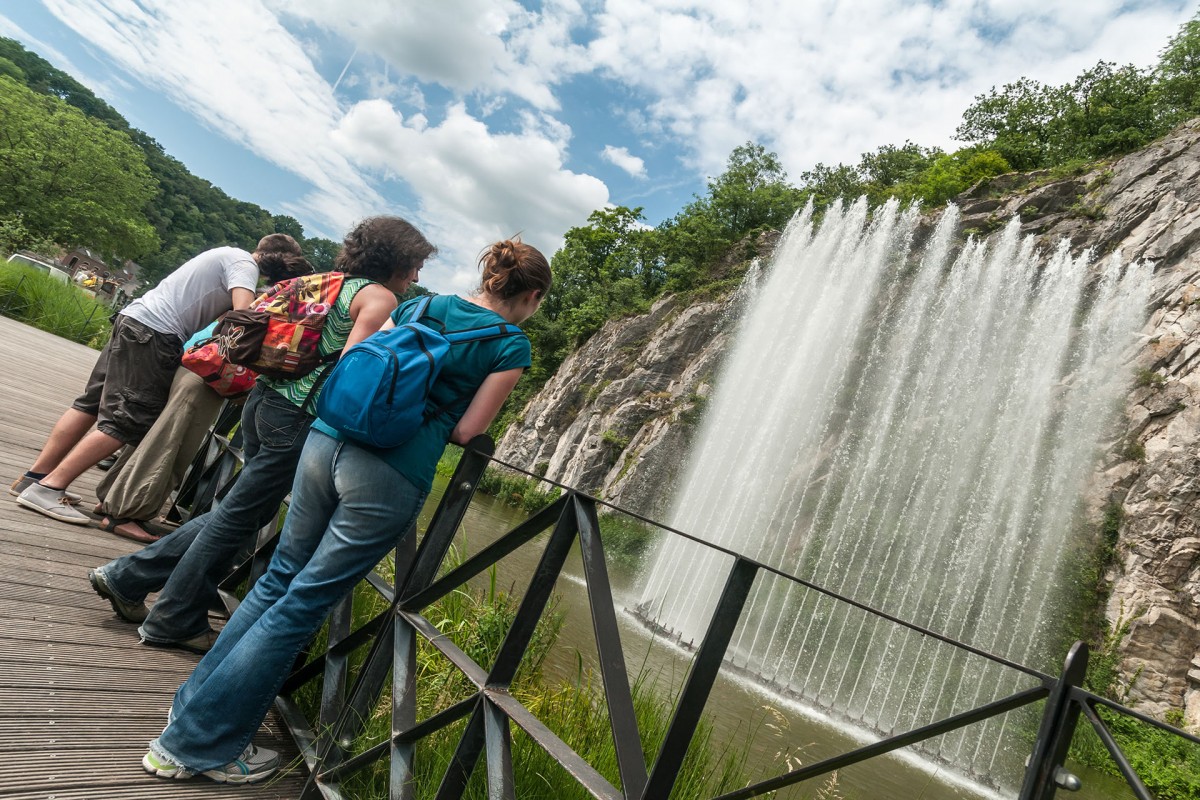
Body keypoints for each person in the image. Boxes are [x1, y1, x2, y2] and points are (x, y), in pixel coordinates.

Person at [137, 238, 550, 784]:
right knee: (303, 602)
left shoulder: (421, 306)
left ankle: (193, 706)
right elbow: (467, 430)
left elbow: (367, 365)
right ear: (534, 294)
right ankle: (196, 743)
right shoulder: (510, 345)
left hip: (325, 440)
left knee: (277, 580)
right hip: (390, 470)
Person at [88, 216, 435, 655]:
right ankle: (173, 618)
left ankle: (127, 578)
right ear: (397, 258)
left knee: (239, 510)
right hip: (297, 418)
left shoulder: (325, 281)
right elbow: (353, 371)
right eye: (416, 264)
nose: (418, 276)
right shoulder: (378, 299)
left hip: (260, 401)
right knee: (238, 516)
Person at [11, 234, 307, 524]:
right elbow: (244, 314)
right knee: (129, 419)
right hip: (154, 335)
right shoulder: (244, 265)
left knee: (89, 404)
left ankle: (35, 477)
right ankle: (49, 488)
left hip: (135, 319)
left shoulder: (227, 254)